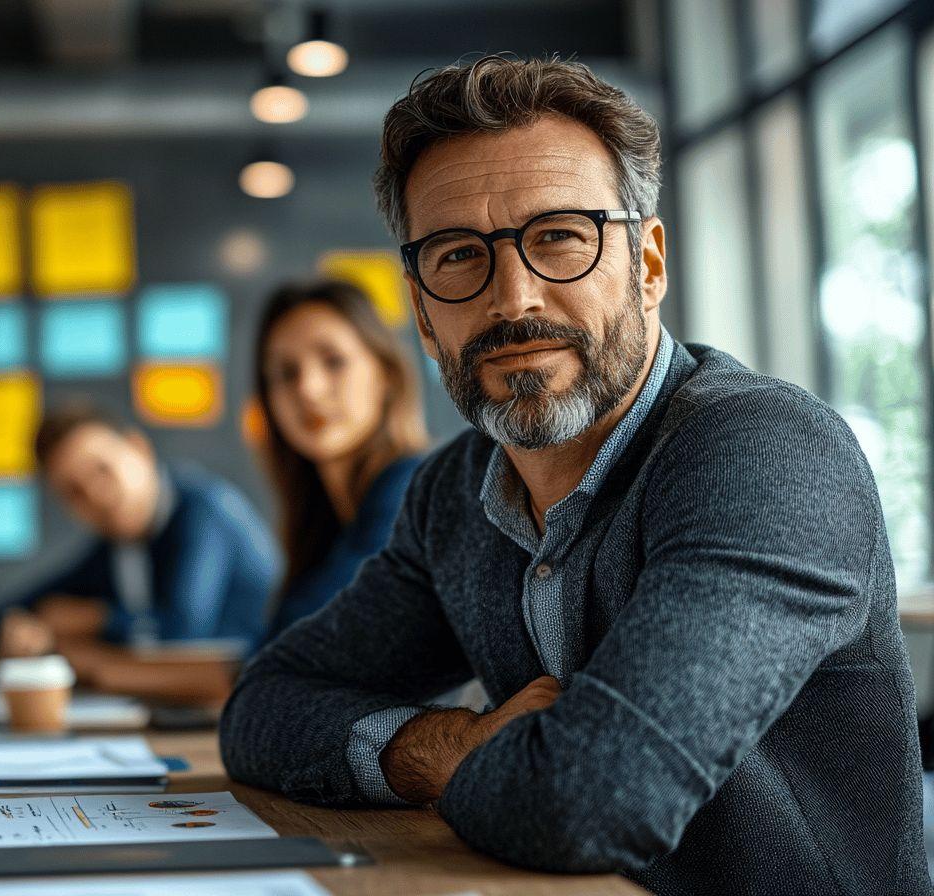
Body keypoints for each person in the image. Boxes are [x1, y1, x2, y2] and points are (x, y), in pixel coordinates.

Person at [219, 55, 929, 895]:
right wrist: (451, 749)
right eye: (457, 256)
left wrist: (477, 765)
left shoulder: (769, 453)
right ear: (420, 311)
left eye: (559, 235)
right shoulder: (452, 494)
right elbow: (262, 706)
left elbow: (590, 801)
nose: (513, 298)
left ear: (649, 265)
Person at [0, 404, 280, 702]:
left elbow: (180, 636)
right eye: (75, 492)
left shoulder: (203, 513)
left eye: (102, 469)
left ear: (138, 449)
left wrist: (93, 620)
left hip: (264, 698)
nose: (96, 494)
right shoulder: (119, 545)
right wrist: (12, 633)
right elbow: (21, 609)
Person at [253, 279, 428, 640]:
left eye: (334, 362)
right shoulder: (326, 521)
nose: (308, 388)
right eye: (286, 373)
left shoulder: (413, 486)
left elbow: (286, 645)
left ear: (386, 376)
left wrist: (108, 668)